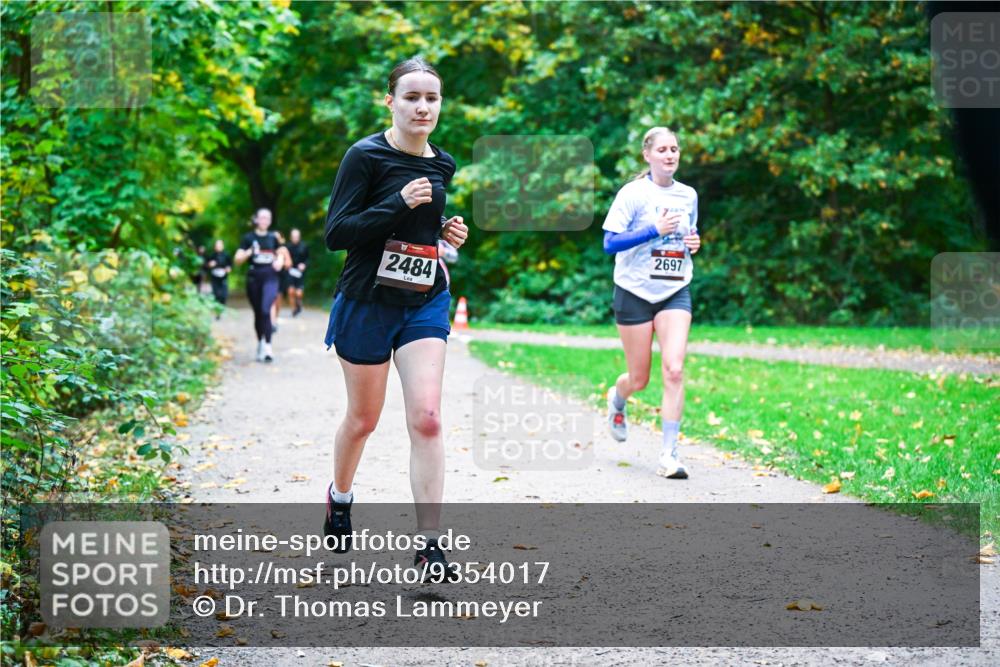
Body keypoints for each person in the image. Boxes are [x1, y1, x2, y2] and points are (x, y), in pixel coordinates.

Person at [322, 56, 468, 579]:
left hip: (423, 299)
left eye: (431, 98)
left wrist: (445, 234)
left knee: (426, 418)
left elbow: (421, 231)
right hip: (366, 300)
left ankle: (430, 548)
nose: (422, 106)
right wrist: (397, 202)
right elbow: (337, 234)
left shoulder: (442, 163)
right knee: (363, 420)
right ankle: (340, 497)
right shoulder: (364, 156)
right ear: (391, 101)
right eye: (411, 97)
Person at [602, 126, 701, 480]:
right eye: (662, 149)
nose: (670, 155)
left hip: (675, 288)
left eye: (675, 149)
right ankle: (618, 396)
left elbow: (690, 234)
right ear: (647, 155)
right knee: (640, 379)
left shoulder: (688, 194)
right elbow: (610, 244)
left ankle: (669, 455)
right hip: (634, 290)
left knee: (674, 369)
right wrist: (652, 230)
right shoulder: (633, 194)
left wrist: (693, 243)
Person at [234, 209, 289, 362]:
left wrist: (279, 261)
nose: (264, 220)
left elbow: (282, 253)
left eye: (267, 218)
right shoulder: (248, 238)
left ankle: (268, 347)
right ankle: (260, 342)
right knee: (259, 313)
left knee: (266, 309)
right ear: (256, 219)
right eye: (262, 217)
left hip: (270, 277)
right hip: (254, 277)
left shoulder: (273, 237)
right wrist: (250, 251)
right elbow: (237, 259)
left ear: (270, 221)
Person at [285, 228, 310, 316]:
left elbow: (308, 259)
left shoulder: (304, 246)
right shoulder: (287, 247)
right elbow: (283, 259)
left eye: (297, 236)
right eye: (293, 236)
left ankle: (298, 303)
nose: (295, 238)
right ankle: (294, 310)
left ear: (299, 237)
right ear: (290, 237)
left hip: (300, 272)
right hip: (290, 271)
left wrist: (304, 265)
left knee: (298, 293)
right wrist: (286, 264)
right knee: (291, 291)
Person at [205, 239, 232, 312]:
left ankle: (222, 307)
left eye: (220, 245)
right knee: (216, 294)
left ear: (223, 246)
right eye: (217, 245)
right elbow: (206, 266)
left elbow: (230, 265)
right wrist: (210, 265)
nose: (218, 247)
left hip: (223, 277)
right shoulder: (212, 255)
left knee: (224, 295)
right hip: (214, 277)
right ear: (215, 247)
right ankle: (217, 309)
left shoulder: (227, 255)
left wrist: (228, 268)